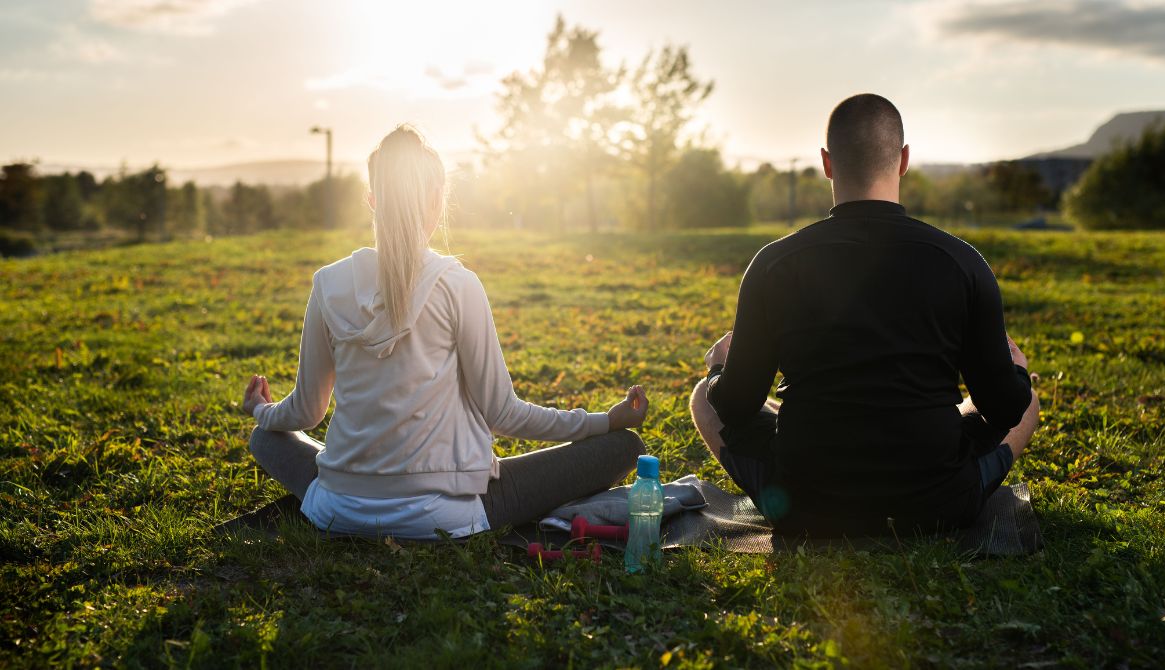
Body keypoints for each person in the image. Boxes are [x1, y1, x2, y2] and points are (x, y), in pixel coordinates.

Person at [240, 124, 648, 540]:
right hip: (446, 516)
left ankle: (342, 480)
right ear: (437, 200)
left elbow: (306, 413)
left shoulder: (328, 283)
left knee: (266, 438)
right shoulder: (458, 283)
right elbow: (503, 413)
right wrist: (603, 421)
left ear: (372, 201)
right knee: (623, 446)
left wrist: (260, 410)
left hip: (337, 508)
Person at [688, 94, 1040, 536]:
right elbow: (1004, 406)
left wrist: (721, 366)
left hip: (808, 504)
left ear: (827, 163)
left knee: (705, 396)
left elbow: (736, 405)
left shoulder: (775, 263)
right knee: (1029, 403)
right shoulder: (963, 262)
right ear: (904, 160)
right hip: (936, 502)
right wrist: (1019, 374)